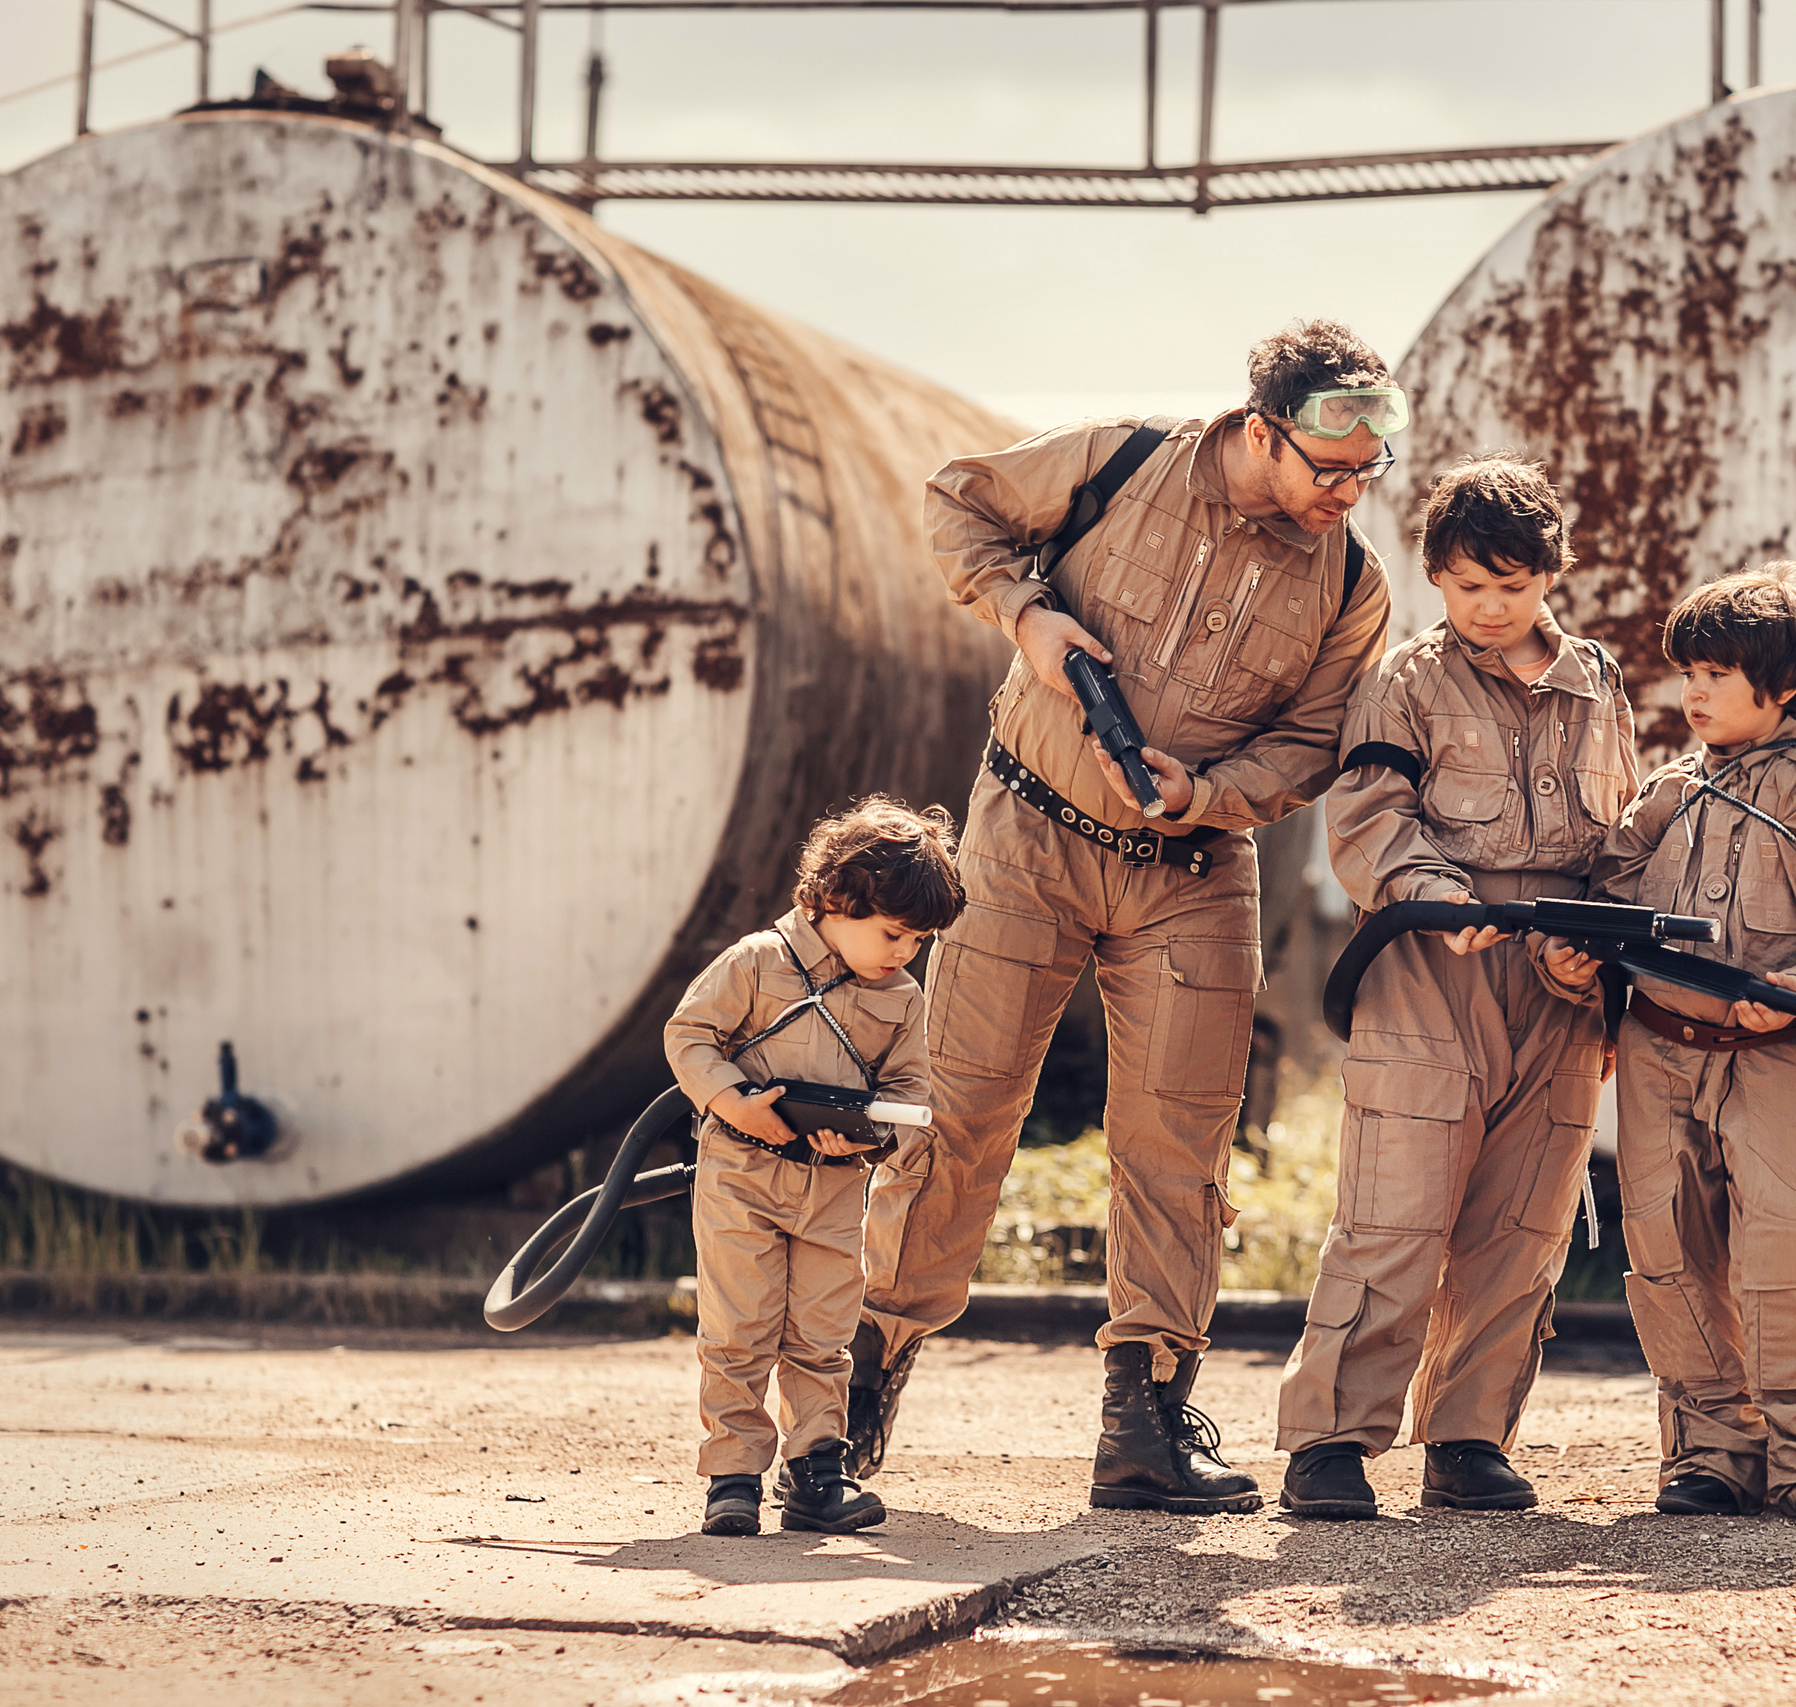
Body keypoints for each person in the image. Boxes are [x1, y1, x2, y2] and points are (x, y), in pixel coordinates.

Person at [845, 322, 1399, 1513]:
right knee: (960, 1113)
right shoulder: (1120, 459)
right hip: (1026, 834)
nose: (1348, 495)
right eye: (1329, 468)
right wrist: (1024, 613)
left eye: (1368, 473)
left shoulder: (1353, 582)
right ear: (1262, 431)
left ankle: (1144, 1425)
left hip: (1194, 867)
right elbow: (959, 499)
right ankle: (852, 1387)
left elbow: (1316, 739)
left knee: (1178, 1149)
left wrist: (1212, 791)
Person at [1273, 454, 1640, 1520]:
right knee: (1393, 1215)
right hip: (1430, 968)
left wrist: (1593, 948)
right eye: (1469, 585)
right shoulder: (1402, 681)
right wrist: (1436, 894)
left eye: (1512, 587)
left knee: (1521, 1224)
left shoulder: (1598, 684)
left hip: (1559, 984)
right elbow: (1368, 820)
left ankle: (1470, 1437)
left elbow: (1625, 837)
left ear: (1551, 576)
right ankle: (1330, 1442)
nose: (1488, 607)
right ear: (1434, 573)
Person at [1588, 564, 1796, 1522]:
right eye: (1688, 672)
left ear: (1782, 685)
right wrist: (1578, 954)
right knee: (1668, 1249)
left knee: (1792, 1251)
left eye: (1717, 675)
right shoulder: (1669, 792)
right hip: (1659, 1052)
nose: (1694, 692)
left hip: (1783, 1060)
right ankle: (1710, 1453)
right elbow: (1608, 895)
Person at [664, 796, 965, 1538]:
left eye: (918, 940)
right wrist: (734, 1103)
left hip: (832, 1188)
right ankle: (733, 1477)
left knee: (823, 1333)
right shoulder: (756, 962)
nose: (903, 951)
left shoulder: (902, 999)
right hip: (741, 1175)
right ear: (838, 898)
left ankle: (816, 1472)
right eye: (892, 932)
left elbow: (909, 1091)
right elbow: (689, 1034)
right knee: (739, 1327)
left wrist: (865, 1138)